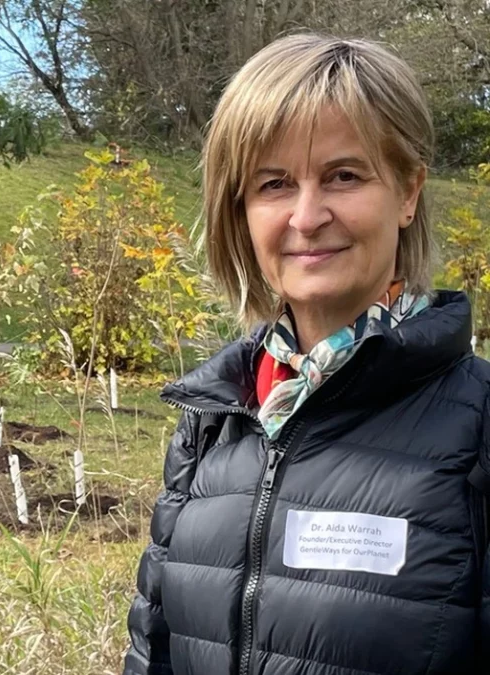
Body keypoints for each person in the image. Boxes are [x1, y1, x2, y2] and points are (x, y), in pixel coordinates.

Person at [123, 33, 490, 675]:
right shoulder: (212, 421)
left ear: (407, 193)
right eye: (275, 183)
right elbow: (152, 652)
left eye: (343, 176)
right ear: (241, 208)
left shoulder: (479, 425)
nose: (306, 214)